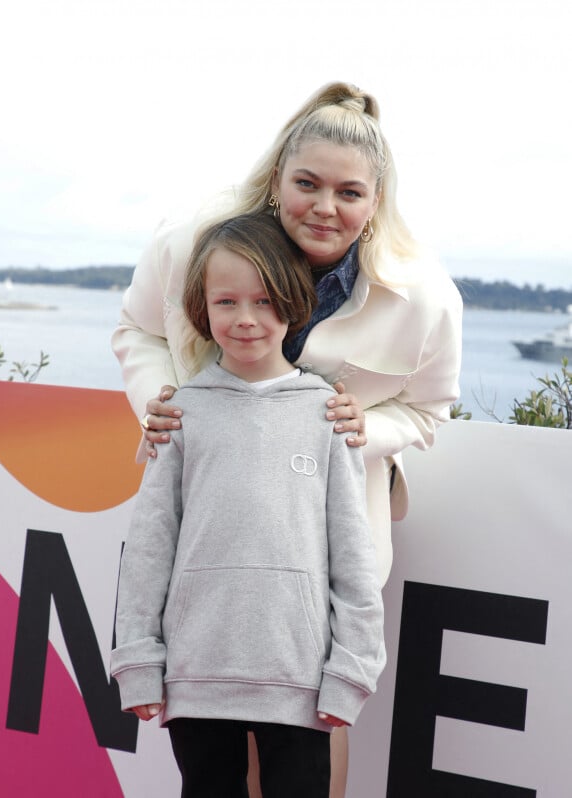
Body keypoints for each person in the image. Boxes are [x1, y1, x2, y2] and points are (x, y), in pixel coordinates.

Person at [112, 81, 462, 796]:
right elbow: (138, 330)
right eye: (307, 183)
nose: (325, 208)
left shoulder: (424, 296)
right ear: (277, 178)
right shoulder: (191, 243)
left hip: (317, 558)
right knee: (213, 766)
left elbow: (429, 411)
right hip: (209, 547)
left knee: (313, 760)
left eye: (350, 193)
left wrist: (366, 429)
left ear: (377, 199)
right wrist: (165, 405)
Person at [111, 213, 386, 798]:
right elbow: (150, 547)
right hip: (196, 680)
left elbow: (352, 558)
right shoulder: (181, 412)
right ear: (200, 307)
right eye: (226, 301)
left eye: (264, 300)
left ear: (293, 302)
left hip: (301, 680)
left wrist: (352, 670)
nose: (245, 319)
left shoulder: (327, 414)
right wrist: (137, 660)